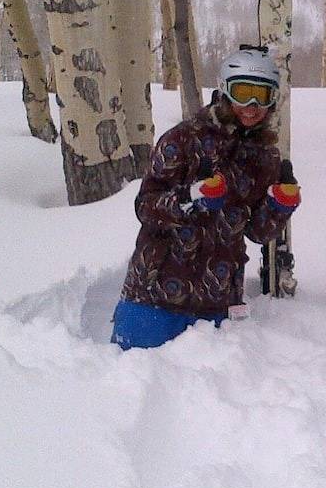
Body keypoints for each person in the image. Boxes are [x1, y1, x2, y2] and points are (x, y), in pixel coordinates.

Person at [111, 46, 301, 349]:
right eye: (243, 92)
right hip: (153, 300)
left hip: (218, 305)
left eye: (261, 95)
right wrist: (191, 197)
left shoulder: (266, 156)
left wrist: (280, 207)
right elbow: (145, 206)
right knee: (132, 386)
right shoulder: (183, 139)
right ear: (225, 91)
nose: (251, 105)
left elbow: (256, 232)